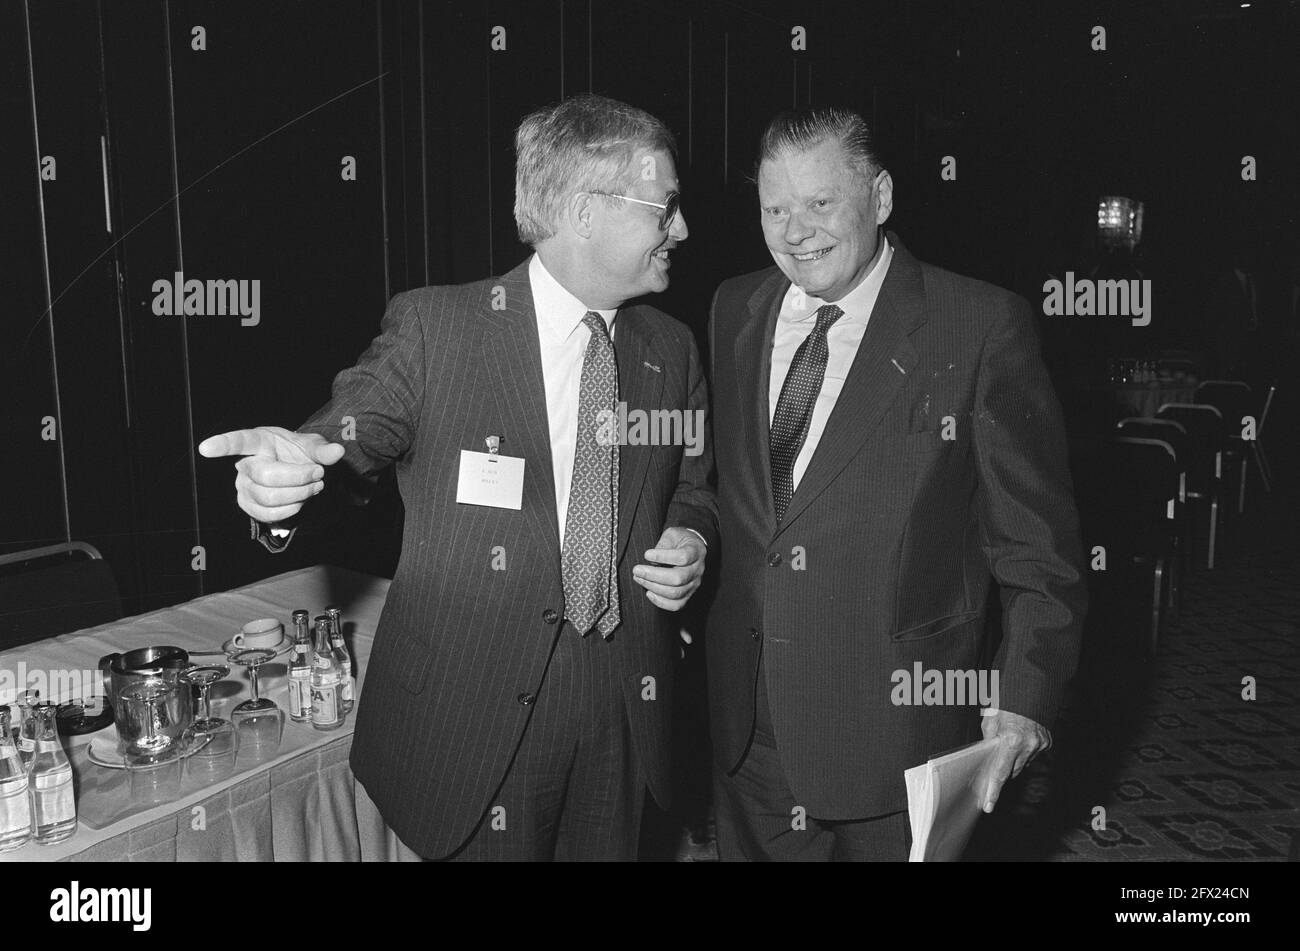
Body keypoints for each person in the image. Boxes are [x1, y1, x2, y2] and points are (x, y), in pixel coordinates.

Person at [199, 94, 716, 861]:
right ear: (584, 211)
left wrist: (692, 535)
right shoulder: (439, 330)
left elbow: (694, 485)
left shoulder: (670, 349)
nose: (682, 228)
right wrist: (288, 477)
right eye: (665, 206)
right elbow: (351, 430)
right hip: (475, 727)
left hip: (622, 714)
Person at [705, 106, 1087, 861]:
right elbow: (742, 500)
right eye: (775, 208)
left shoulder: (978, 326)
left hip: (892, 739)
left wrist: (1025, 701)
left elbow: (1038, 548)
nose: (794, 230)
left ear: (879, 198)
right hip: (747, 728)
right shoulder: (734, 308)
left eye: (820, 203)